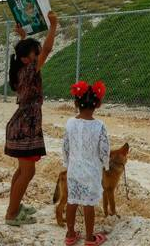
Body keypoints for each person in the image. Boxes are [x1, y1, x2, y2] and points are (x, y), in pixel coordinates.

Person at [4, 11, 58, 226]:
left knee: (22, 170)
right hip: (27, 126)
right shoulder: (30, 70)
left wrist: (23, 38)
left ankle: (14, 207)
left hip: (21, 124)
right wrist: (53, 26)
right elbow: (47, 49)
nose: (39, 56)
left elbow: (28, 53)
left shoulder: (20, 68)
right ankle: (11, 214)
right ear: (29, 58)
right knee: (27, 172)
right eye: (35, 54)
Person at [62, 80, 110, 246]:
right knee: (89, 203)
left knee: (72, 200)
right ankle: (89, 238)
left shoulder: (70, 123)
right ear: (97, 104)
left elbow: (66, 146)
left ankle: (70, 234)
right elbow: (104, 149)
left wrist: (67, 162)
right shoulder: (99, 126)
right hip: (91, 171)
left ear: (76, 103)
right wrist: (105, 164)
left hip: (74, 169)